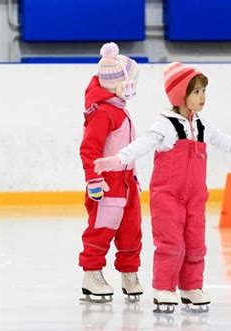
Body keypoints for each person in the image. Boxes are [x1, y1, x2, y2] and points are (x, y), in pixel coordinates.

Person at [94, 62, 231, 311]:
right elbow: (142, 144)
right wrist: (117, 160)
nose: (203, 97)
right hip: (168, 196)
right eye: (196, 91)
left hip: (195, 197)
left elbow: (224, 141)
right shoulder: (166, 124)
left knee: (196, 243)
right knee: (171, 243)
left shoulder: (202, 125)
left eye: (204, 91)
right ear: (180, 95)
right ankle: (164, 288)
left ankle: (191, 286)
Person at [79, 42, 143, 303]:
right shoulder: (103, 113)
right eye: (132, 80)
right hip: (107, 184)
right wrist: (94, 179)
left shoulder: (118, 108)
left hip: (127, 182)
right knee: (102, 229)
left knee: (131, 230)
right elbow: (89, 148)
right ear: (121, 83)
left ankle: (129, 273)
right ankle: (91, 274)